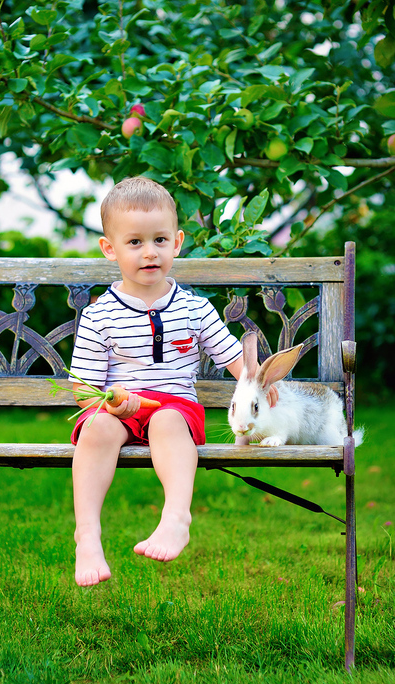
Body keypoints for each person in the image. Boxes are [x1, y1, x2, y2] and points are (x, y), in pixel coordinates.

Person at [68, 177, 273, 587]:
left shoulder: (195, 309)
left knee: (164, 420)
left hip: (174, 410)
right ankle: (86, 535)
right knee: (95, 429)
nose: (150, 252)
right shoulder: (99, 316)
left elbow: (235, 359)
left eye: (160, 240)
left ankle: (176, 516)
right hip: (118, 409)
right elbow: (83, 390)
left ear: (177, 242)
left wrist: (260, 384)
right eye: (135, 242)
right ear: (110, 248)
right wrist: (110, 404)